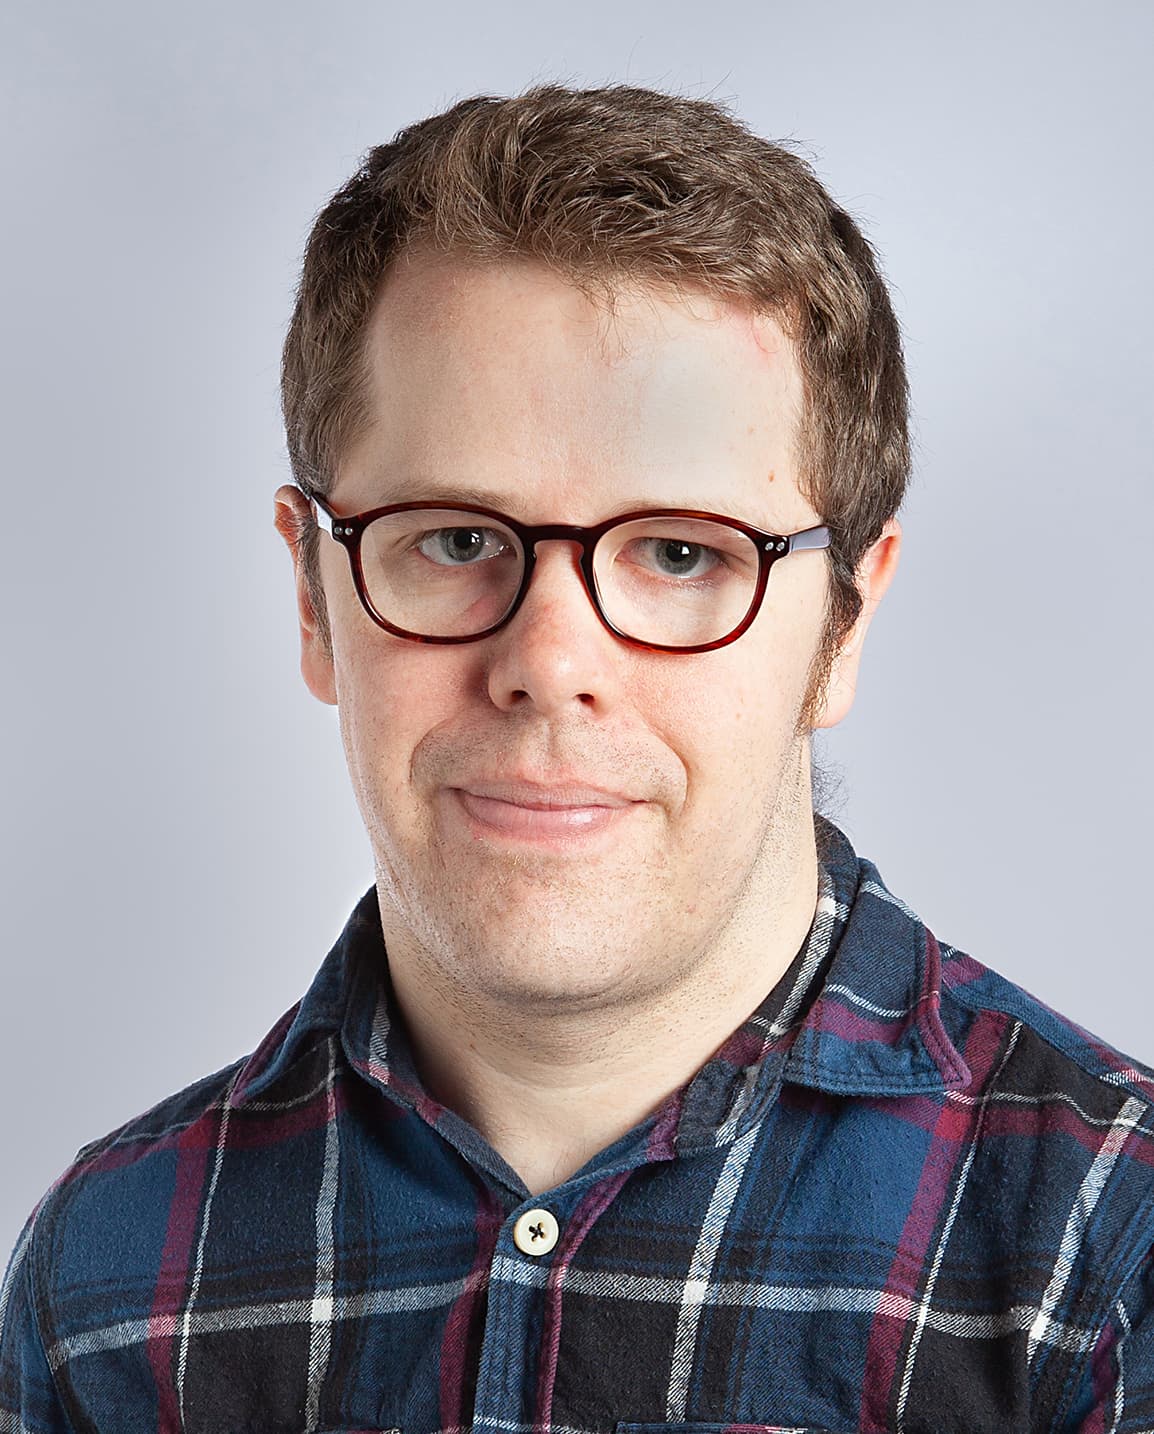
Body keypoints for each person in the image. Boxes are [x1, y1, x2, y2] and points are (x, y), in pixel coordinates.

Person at [2, 80, 1151, 1434]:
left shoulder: (1110, 1255)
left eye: (680, 554)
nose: (549, 661)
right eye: (453, 539)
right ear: (313, 598)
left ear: (842, 624)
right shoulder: (105, 1287)